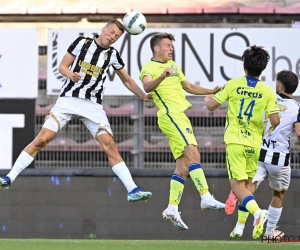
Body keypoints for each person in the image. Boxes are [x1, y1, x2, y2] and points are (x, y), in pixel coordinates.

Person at [0, 19, 152, 203]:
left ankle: (132, 189)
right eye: (111, 32)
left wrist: (143, 95)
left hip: (93, 106)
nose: (113, 37)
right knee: (42, 139)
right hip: (68, 100)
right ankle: (9, 177)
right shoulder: (82, 43)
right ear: (103, 29)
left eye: (117, 36)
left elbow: (126, 80)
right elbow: (62, 66)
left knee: (110, 146)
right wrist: (69, 74)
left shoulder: (113, 55)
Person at [139, 32, 225, 231]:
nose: (171, 49)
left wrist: (211, 91)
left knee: (184, 166)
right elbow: (146, 87)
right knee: (194, 153)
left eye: (171, 46)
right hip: (170, 115)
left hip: (180, 115)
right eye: (167, 45)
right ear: (156, 48)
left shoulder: (174, 66)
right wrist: (162, 75)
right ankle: (205, 196)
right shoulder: (149, 67)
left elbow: (189, 86)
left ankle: (172, 208)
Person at [204, 45, 280, 239]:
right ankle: (239, 226)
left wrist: (207, 97)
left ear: (244, 67)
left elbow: (212, 105)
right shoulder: (268, 91)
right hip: (255, 143)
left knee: (237, 187)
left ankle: (258, 213)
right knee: (247, 185)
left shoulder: (233, 84)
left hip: (236, 141)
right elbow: (275, 121)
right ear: (263, 68)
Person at [227, 70, 300, 241]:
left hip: (258, 152)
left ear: (280, 86)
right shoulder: (297, 108)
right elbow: (299, 133)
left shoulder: (266, 97)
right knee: (278, 194)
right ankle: (269, 233)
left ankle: (239, 227)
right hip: (279, 159)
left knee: (247, 188)